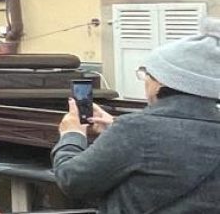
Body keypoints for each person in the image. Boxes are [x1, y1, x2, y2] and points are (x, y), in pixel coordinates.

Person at [51, 33, 220, 213]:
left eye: (146, 74)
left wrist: (72, 135)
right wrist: (116, 128)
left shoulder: (135, 130)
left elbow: (72, 180)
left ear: (161, 82)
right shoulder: (134, 129)